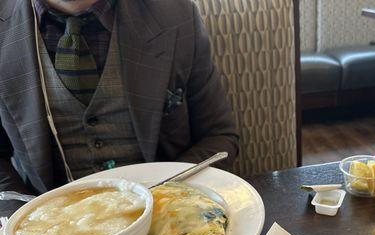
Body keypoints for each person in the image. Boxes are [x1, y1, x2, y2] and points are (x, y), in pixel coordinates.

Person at [0, 0, 238, 216]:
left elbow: (219, 137)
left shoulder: (175, 12)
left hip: (167, 217)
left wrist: (166, 195)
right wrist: (29, 223)